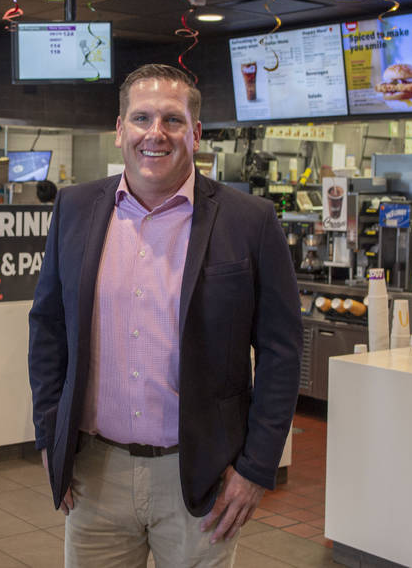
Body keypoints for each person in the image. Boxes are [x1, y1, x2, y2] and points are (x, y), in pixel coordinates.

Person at [28, 63, 302, 567]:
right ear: (119, 130)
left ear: (195, 133)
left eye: (173, 120)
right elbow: (47, 329)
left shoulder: (250, 221)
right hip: (95, 473)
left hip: (202, 479)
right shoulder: (74, 208)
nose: (156, 133)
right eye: (142, 118)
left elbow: (282, 353)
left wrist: (257, 467)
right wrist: (49, 435)